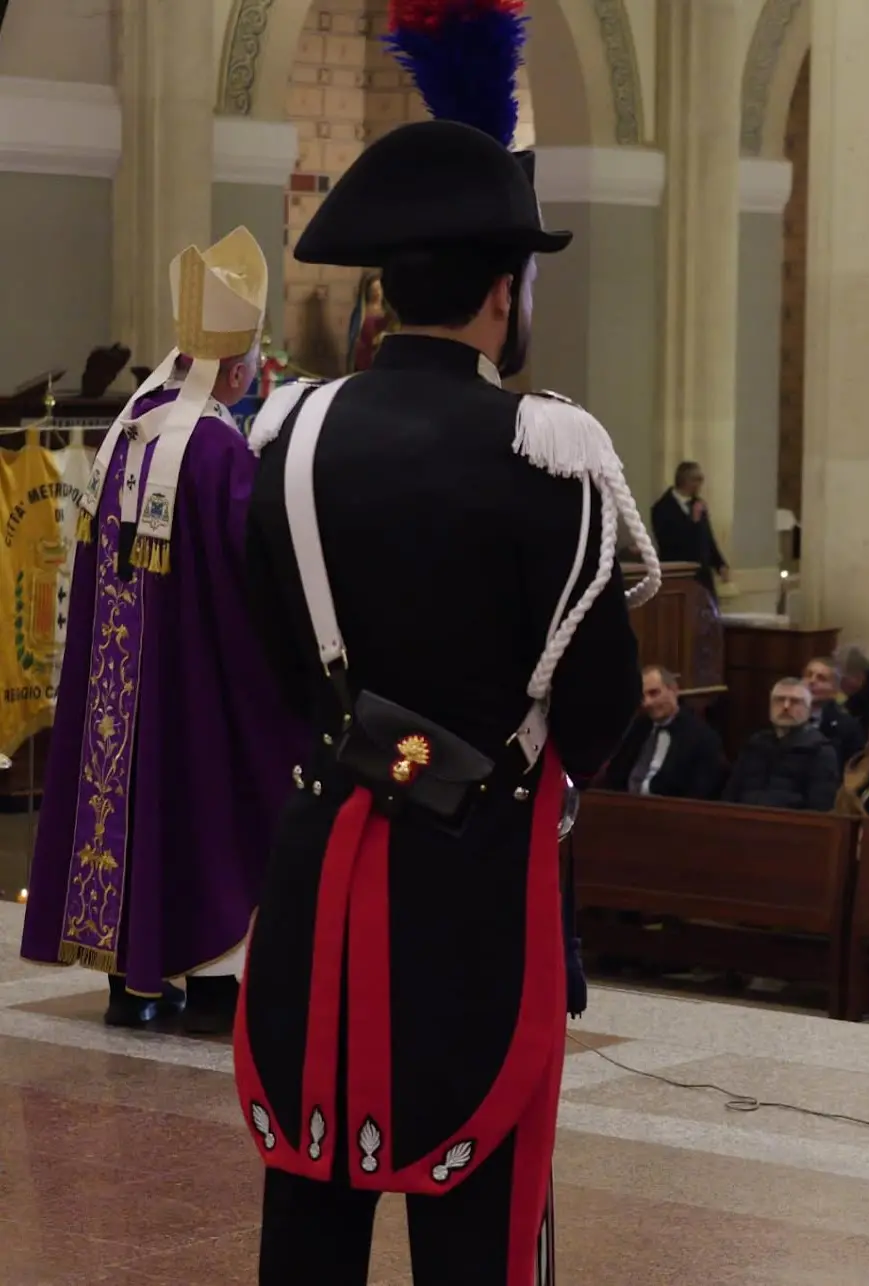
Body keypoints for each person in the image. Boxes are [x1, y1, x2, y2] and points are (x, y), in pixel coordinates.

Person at [232, 10, 661, 1281]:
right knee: (479, 1223)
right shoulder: (553, 454)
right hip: (480, 883)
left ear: (381, 290)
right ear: (500, 292)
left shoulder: (288, 437)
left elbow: (274, 652)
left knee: (310, 1193)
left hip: (321, 857)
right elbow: (598, 703)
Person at [19, 227, 305, 1034]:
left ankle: (131, 986)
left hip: (119, 689)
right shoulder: (216, 449)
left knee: (132, 802)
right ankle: (213, 990)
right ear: (237, 369)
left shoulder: (126, 430)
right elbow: (254, 577)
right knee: (210, 795)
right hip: (190, 682)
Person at [606, 665, 725, 799]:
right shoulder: (638, 727)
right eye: (642, 697)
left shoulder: (702, 738)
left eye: (654, 693)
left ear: (674, 690)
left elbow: (700, 794)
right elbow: (615, 774)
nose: (647, 703)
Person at [722, 678, 839, 811]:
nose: (786, 706)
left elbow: (820, 807)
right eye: (779, 700)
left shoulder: (821, 751)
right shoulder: (755, 744)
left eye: (795, 701)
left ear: (809, 709)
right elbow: (730, 795)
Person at [650, 460, 729, 596]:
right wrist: (693, 522)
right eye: (698, 479)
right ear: (685, 480)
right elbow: (668, 542)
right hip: (679, 576)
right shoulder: (662, 508)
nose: (701, 484)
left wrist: (720, 564)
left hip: (703, 578)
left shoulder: (698, 504)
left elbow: (708, 538)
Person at [802, 655, 867, 765]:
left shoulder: (847, 727)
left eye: (821, 678)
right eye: (808, 675)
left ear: (835, 689)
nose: (812, 681)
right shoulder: (786, 714)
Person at [346, 270, 394, 372]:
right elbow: (353, 338)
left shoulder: (389, 313)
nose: (377, 293)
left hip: (382, 363)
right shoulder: (360, 312)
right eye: (373, 290)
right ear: (368, 291)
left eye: (379, 289)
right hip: (363, 362)